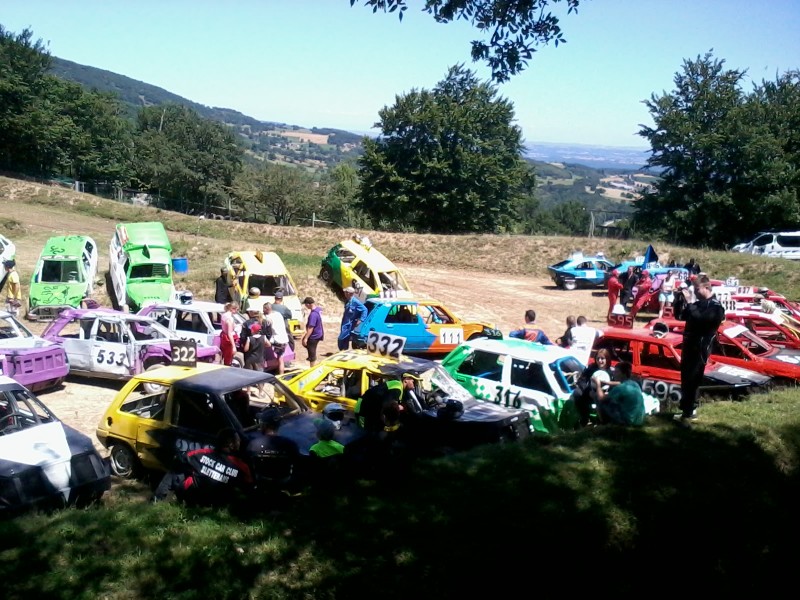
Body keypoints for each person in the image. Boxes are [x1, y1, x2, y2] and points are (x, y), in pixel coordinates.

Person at [152, 428, 254, 505]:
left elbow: (181, 458)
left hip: (194, 498)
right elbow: (248, 487)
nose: (239, 443)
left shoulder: (201, 454)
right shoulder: (242, 467)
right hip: (220, 502)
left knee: (177, 471)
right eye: (238, 441)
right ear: (231, 444)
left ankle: (157, 499)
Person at [675, 275, 725, 424]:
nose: (695, 292)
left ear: (706, 288)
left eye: (697, 289)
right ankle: (687, 409)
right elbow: (680, 316)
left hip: (700, 348)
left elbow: (701, 320)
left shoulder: (716, 307)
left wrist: (690, 302)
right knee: (686, 378)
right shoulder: (697, 304)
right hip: (689, 345)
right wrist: (679, 300)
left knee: (693, 378)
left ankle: (690, 411)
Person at [246, 408, 301, 496]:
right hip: (283, 484)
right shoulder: (290, 444)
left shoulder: (253, 444)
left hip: (262, 484)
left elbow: (248, 467)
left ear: (264, 425)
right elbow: (297, 467)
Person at [596, 361, 645, 426]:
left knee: (602, 402)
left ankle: (604, 424)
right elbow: (619, 383)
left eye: (616, 372)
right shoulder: (634, 384)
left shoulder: (620, 388)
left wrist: (598, 384)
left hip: (628, 422)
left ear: (623, 374)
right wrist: (607, 383)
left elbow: (601, 398)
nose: (614, 374)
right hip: (639, 420)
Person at [338, 286, 368, 351]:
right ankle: (344, 351)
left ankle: (343, 350)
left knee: (341, 339)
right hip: (344, 323)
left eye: (346, 292)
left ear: (350, 293)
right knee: (345, 339)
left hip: (349, 324)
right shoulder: (348, 301)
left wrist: (361, 320)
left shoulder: (355, 302)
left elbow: (365, 310)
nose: (345, 293)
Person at [263, 302, 289, 374]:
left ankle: (280, 374)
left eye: (263, 309)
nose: (263, 311)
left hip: (277, 340)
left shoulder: (268, 318)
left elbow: (266, 328)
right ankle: (279, 373)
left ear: (266, 309)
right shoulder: (278, 314)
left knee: (279, 359)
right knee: (280, 358)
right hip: (284, 339)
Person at [301, 297, 324, 367]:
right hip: (319, 332)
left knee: (311, 350)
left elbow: (311, 327)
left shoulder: (313, 315)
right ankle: (311, 357)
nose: (305, 306)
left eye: (305, 304)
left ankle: (312, 366)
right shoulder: (318, 309)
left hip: (314, 335)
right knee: (308, 345)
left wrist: (306, 338)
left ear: (308, 304)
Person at [220, 301, 239, 366]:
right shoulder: (229, 318)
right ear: (233, 308)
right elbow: (229, 333)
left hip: (223, 337)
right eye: (237, 309)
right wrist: (234, 346)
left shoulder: (223, 315)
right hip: (228, 340)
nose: (237, 311)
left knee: (224, 355)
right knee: (228, 359)